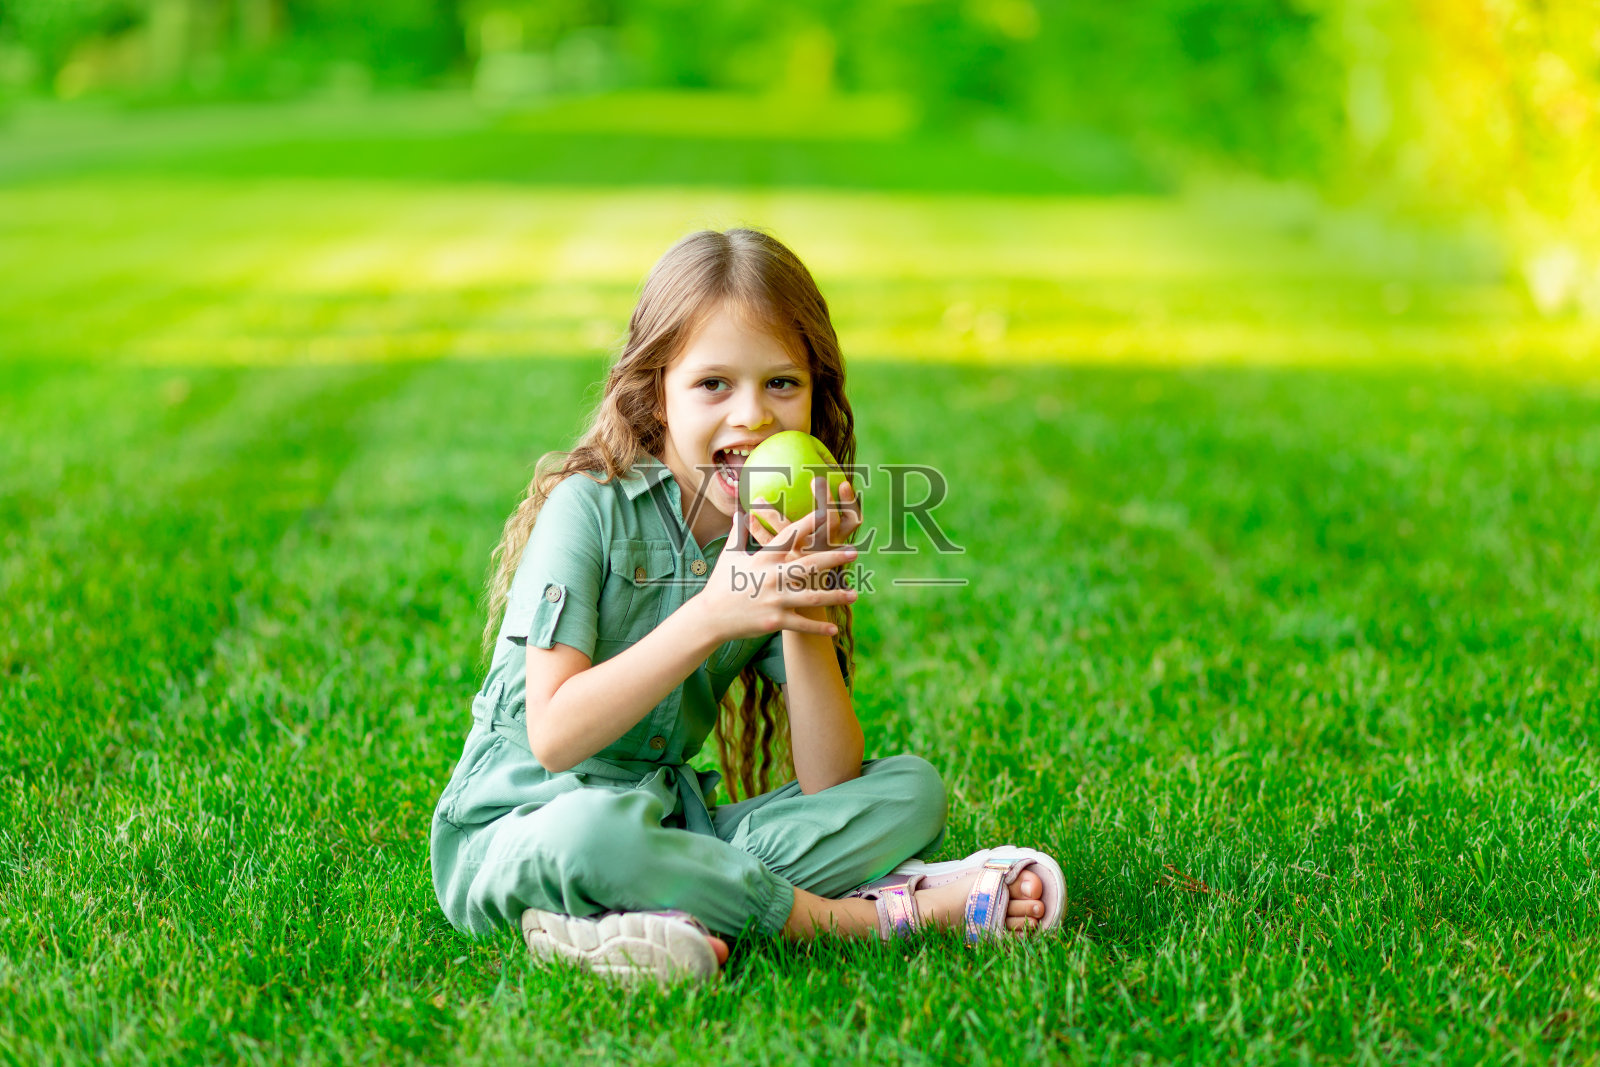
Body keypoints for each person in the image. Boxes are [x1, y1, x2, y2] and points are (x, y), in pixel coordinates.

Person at [429, 228, 1066, 982]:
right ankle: (877, 917)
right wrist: (710, 616)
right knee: (597, 836)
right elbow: (555, 737)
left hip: (666, 827)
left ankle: (626, 918)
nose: (753, 416)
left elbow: (831, 779)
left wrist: (800, 594)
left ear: (815, 395)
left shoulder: (765, 543)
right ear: (655, 392)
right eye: (713, 384)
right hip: (525, 829)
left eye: (781, 384)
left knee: (911, 792)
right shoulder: (588, 507)